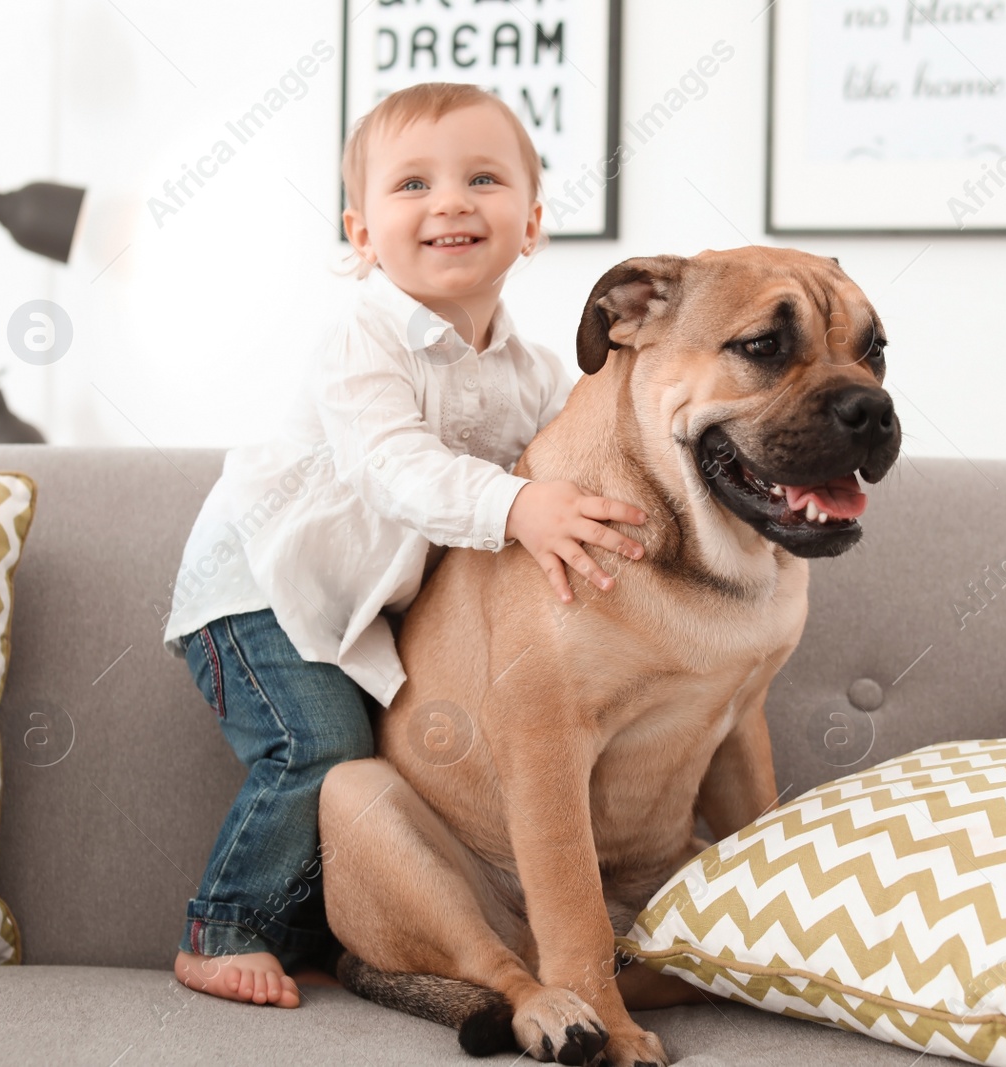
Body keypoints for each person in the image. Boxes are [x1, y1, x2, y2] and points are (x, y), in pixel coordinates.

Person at [160, 82, 651, 1007]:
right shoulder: (360, 339)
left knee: (386, 773)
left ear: (533, 222)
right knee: (321, 747)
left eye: (482, 178)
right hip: (259, 586)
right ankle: (220, 925)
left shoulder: (540, 371)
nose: (451, 201)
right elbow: (397, 469)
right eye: (413, 184)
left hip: (357, 610)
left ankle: (319, 926)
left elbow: (581, 461)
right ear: (360, 233)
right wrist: (519, 506)